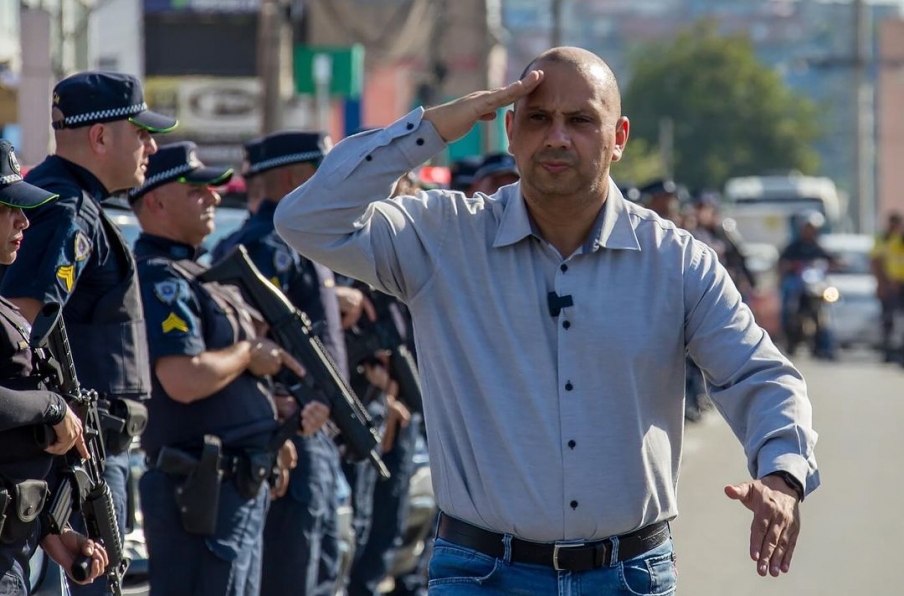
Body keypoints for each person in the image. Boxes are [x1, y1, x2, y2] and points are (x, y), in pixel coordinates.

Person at [274, 46, 819, 593]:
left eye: (581, 120)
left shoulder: (675, 261)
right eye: (538, 118)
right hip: (479, 573)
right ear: (510, 129)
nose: (557, 137)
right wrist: (439, 124)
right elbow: (306, 219)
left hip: (628, 575)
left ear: (619, 138)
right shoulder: (443, 237)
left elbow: (757, 374)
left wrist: (782, 475)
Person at [0, 71, 176, 595]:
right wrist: (53, 416)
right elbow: (21, 333)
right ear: (100, 137)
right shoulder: (66, 207)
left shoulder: (77, 202)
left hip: (78, 447)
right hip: (63, 455)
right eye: (139, 132)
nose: (151, 146)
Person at [127, 141, 328, 596]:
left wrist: (275, 417)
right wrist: (247, 353)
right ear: (155, 201)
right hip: (199, 492)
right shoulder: (161, 278)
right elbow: (185, 378)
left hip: (232, 486)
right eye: (196, 190)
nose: (214, 197)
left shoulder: (196, 273)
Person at [211, 130, 356, 596]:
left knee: (320, 560)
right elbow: (249, 337)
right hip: (294, 424)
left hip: (318, 424)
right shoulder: (271, 244)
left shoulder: (301, 237)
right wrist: (288, 404)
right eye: (323, 173)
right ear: (297, 178)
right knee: (294, 567)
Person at [0, 140, 109, 595]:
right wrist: (51, 407)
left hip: (17, 541)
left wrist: (51, 529)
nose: (23, 221)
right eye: (7, 208)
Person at [779, 211, 836, 359]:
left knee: (827, 308)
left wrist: (837, 263)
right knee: (787, 304)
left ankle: (825, 345)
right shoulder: (794, 247)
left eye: (812, 229)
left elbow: (830, 260)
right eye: (807, 228)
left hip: (815, 287)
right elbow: (783, 262)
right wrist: (790, 266)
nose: (810, 232)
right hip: (797, 284)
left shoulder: (817, 247)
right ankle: (787, 333)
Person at [870, 212, 904, 362]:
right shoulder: (882, 239)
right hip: (889, 285)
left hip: (900, 284)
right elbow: (876, 262)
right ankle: (888, 351)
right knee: (888, 319)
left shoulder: (900, 239)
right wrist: (882, 284)